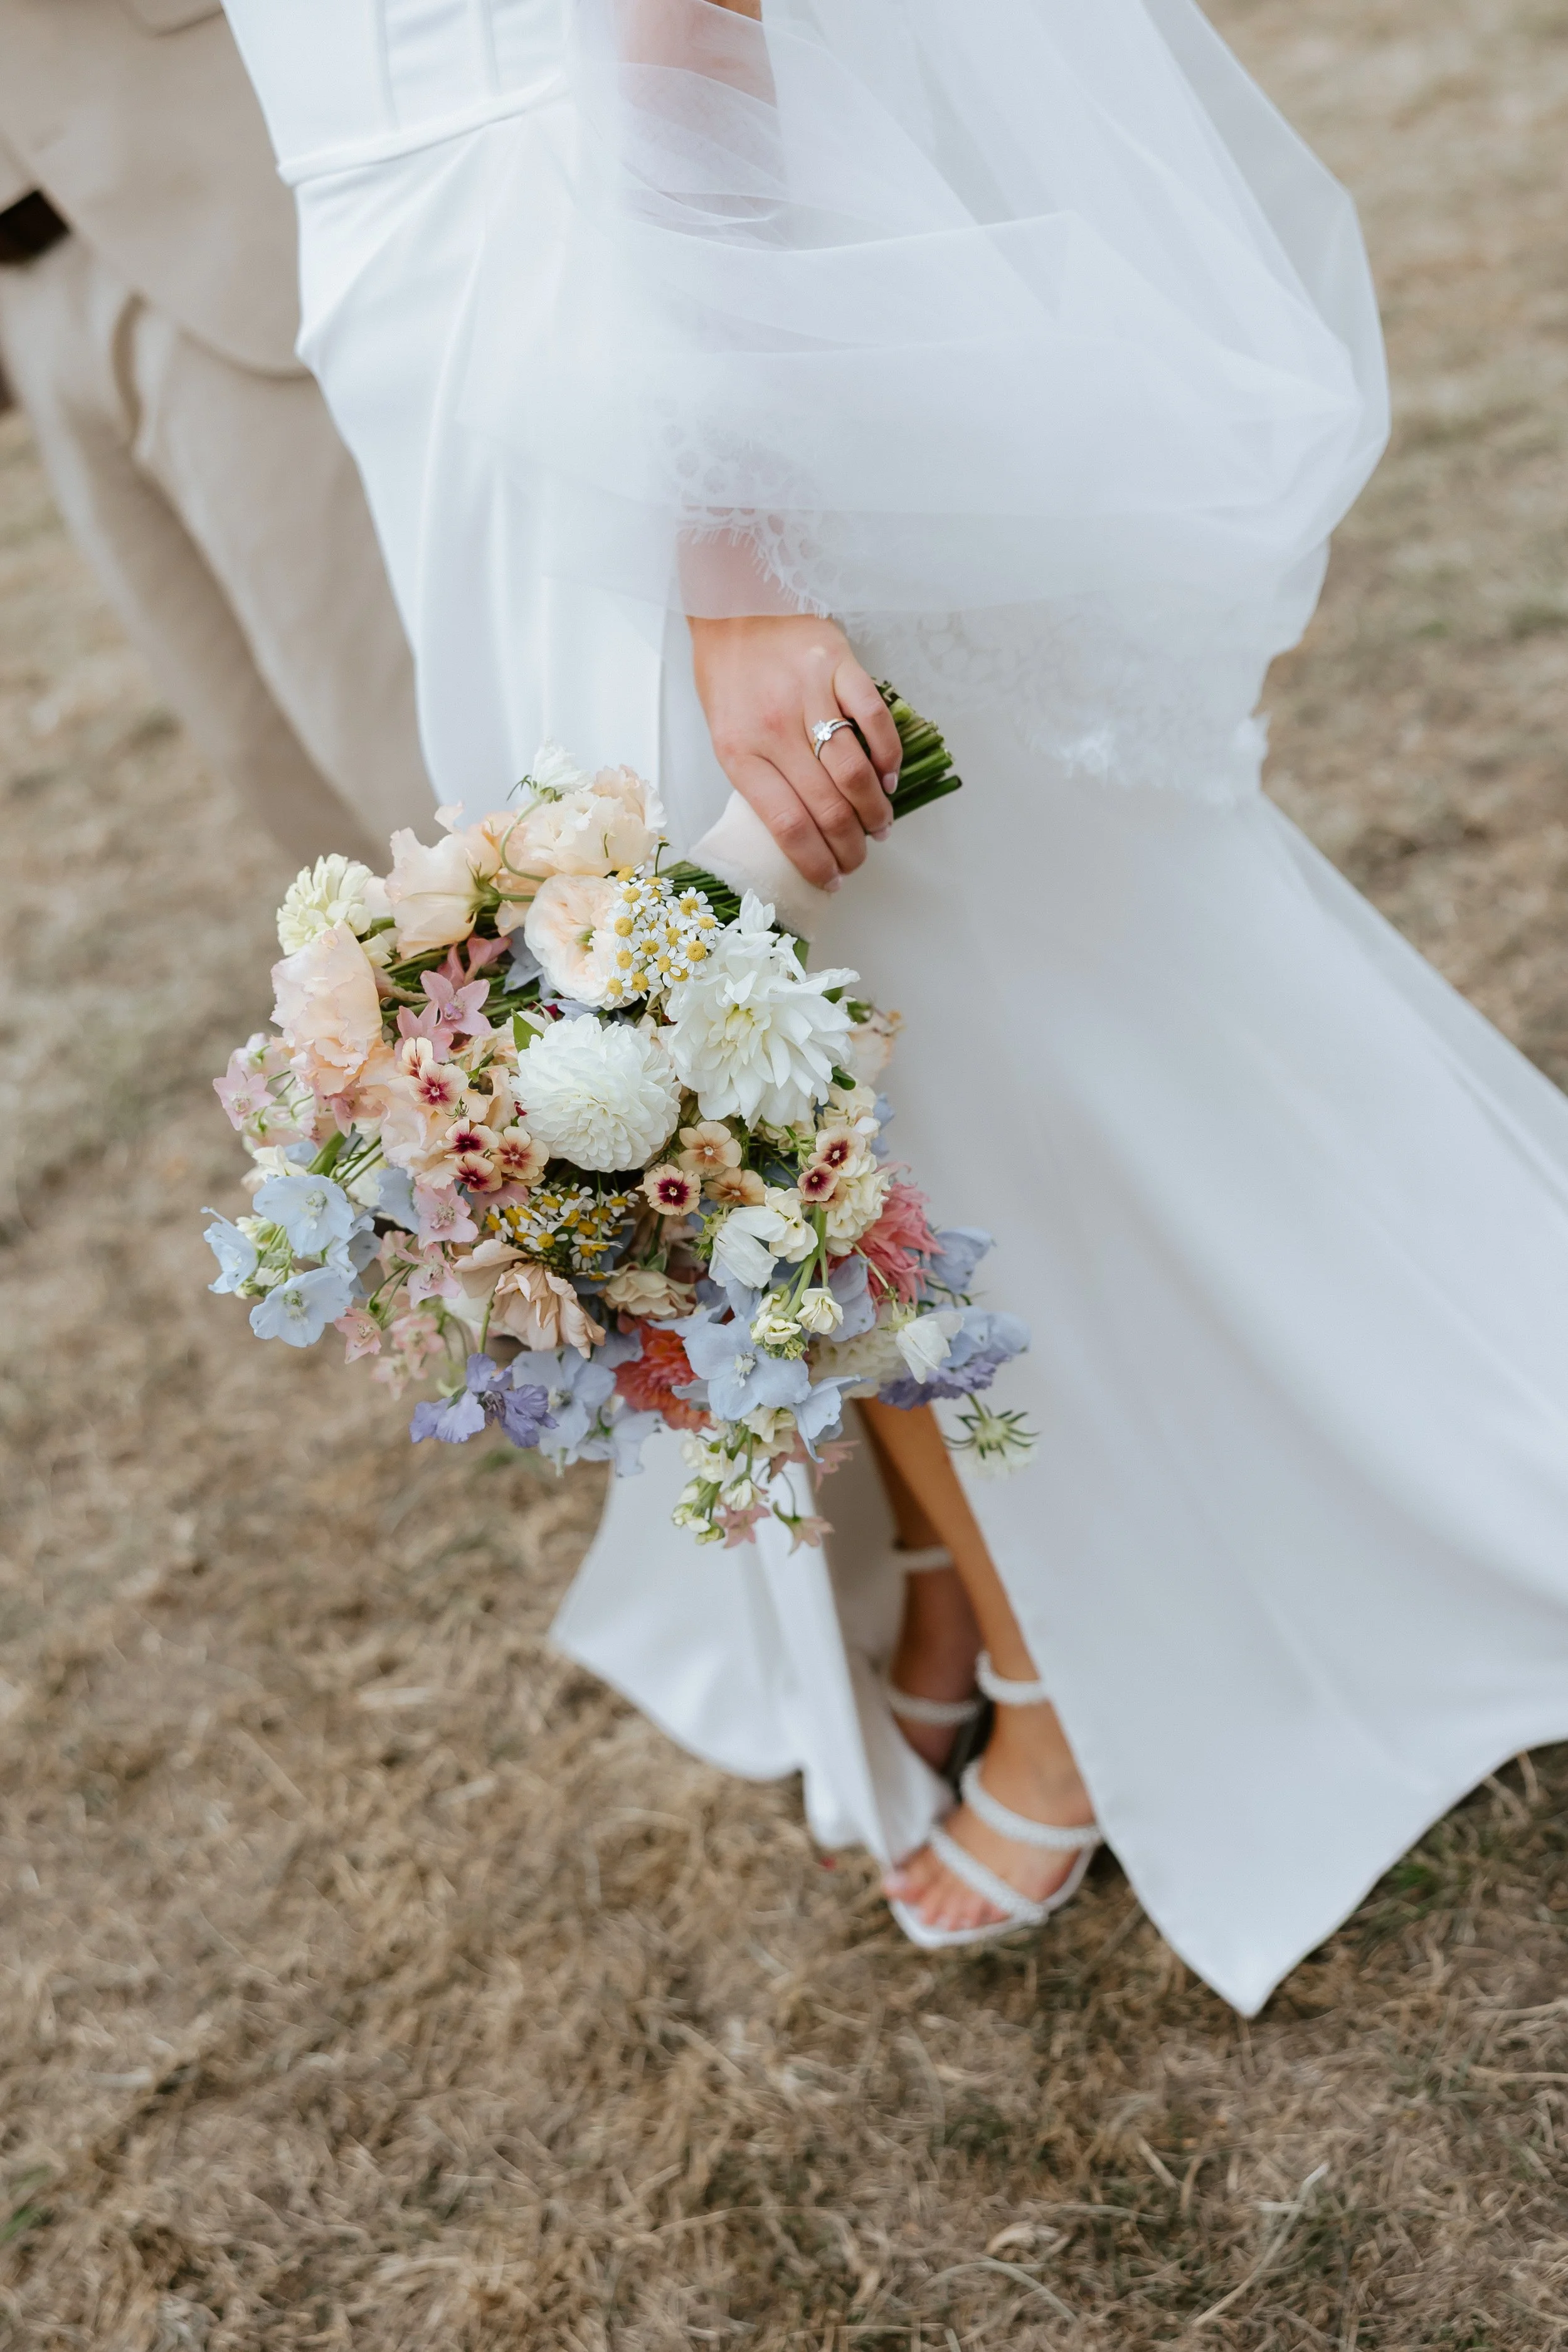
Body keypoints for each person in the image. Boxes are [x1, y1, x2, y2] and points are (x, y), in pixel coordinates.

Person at [223, 0, 1568, 2015]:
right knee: (710, 1032)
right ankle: (954, 1566)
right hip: (427, 317)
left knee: (801, 1025)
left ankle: (1080, 1665)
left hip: (601, 286)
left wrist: (739, 550)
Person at [0, 0, 431, 866]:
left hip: (199, 183)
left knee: (394, 749)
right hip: (30, 283)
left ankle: (594, 993)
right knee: (263, 757)